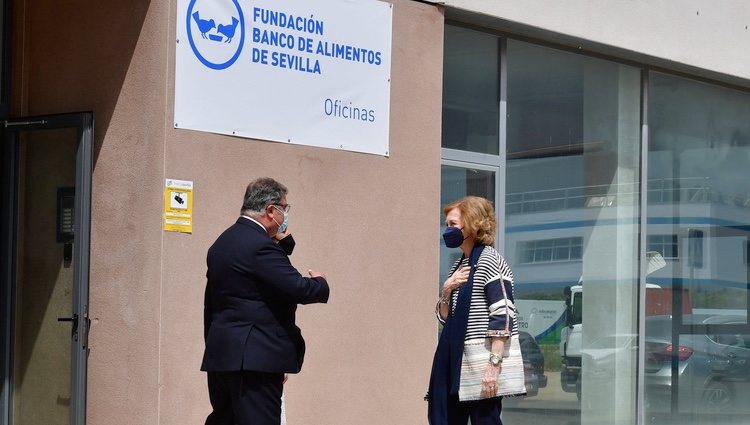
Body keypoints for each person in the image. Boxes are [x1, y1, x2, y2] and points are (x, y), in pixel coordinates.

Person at [202, 177, 330, 425]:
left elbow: (218, 302)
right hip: (254, 362)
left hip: (223, 357)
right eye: (285, 208)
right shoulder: (259, 246)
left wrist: (283, 244)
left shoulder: (223, 242)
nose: (285, 215)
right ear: (271, 210)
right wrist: (321, 283)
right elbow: (298, 288)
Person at [427, 196, 519, 425]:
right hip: (454, 363)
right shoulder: (460, 265)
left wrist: (493, 366)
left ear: (472, 224)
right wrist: (447, 290)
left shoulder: (490, 261)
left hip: (479, 365)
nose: (447, 230)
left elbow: (504, 315)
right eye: (446, 224)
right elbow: (445, 318)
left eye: (453, 225)